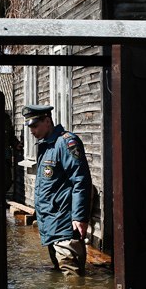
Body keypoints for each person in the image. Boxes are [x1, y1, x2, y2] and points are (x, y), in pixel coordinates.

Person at [23, 104, 92, 276]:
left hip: (65, 224)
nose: (31, 130)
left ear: (47, 121)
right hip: (51, 224)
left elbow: (80, 179)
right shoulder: (46, 146)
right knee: (61, 278)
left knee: (72, 280)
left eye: (35, 125)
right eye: (29, 126)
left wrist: (79, 216)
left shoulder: (66, 142)